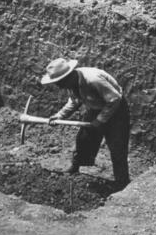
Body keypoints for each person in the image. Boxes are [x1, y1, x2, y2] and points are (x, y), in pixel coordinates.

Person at [41, 58, 130, 188]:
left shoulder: (93, 79)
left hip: (117, 111)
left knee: (117, 148)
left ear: (68, 76)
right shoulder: (71, 83)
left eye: (58, 82)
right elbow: (74, 101)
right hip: (96, 107)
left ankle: (122, 183)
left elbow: (114, 99)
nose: (57, 86)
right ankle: (75, 168)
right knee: (84, 139)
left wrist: (100, 120)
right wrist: (59, 115)